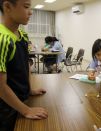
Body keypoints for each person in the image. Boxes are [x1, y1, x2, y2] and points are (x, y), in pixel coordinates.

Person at [0, 0, 48, 131]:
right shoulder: (2, 40)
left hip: (24, 100)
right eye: (26, 7)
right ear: (8, 6)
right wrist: (26, 110)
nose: (31, 12)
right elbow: (1, 86)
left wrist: (29, 90)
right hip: (8, 109)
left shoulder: (23, 35)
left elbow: (24, 65)